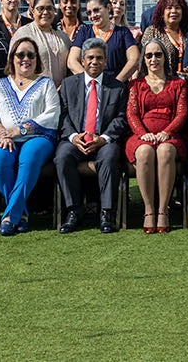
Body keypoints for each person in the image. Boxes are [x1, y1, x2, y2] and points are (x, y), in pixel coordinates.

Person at [0, 36, 61, 236]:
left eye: (31, 55)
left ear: (37, 59)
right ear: (12, 58)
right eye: (20, 54)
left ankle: (11, 215)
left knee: (29, 156)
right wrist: (2, 132)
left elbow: (52, 114)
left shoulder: (46, 84)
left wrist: (20, 130)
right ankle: (22, 213)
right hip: (4, 139)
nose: (25, 59)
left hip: (39, 138)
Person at [55, 38, 128, 234]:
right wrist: (72, 137)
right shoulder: (69, 84)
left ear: (105, 61)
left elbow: (121, 119)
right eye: (90, 58)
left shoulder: (117, 87)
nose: (94, 62)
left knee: (111, 155)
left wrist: (104, 138)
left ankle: (107, 212)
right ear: (82, 60)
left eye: (99, 58)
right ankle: (73, 211)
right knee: (62, 156)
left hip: (104, 141)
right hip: (76, 140)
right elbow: (61, 116)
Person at [126, 39, 188, 234]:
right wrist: (144, 135)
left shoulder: (178, 83)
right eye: (149, 55)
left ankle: (163, 209)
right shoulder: (135, 85)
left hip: (171, 135)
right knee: (144, 152)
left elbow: (182, 114)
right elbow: (132, 114)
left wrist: (166, 133)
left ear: (165, 57)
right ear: (143, 59)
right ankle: (148, 210)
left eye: (158, 55)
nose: (154, 59)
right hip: (141, 135)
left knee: (165, 150)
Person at [68, 0, 139, 81]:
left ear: (108, 8)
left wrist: (117, 82)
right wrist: (89, 80)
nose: (93, 15)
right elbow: (72, 61)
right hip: (90, 88)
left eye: (96, 10)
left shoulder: (123, 33)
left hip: (116, 88)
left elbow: (134, 59)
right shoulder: (84, 32)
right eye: (89, 13)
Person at [10, 0, 71, 84]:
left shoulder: (63, 37)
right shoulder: (23, 34)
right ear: (33, 11)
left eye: (49, 8)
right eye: (40, 9)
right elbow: (13, 66)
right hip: (34, 92)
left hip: (62, 93)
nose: (45, 12)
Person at [138, 0, 188, 78]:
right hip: (160, 84)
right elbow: (144, 60)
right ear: (162, 13)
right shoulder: (152, 31)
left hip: (186, 84)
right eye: (169, 8)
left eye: (177, 8)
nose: (173, 11)